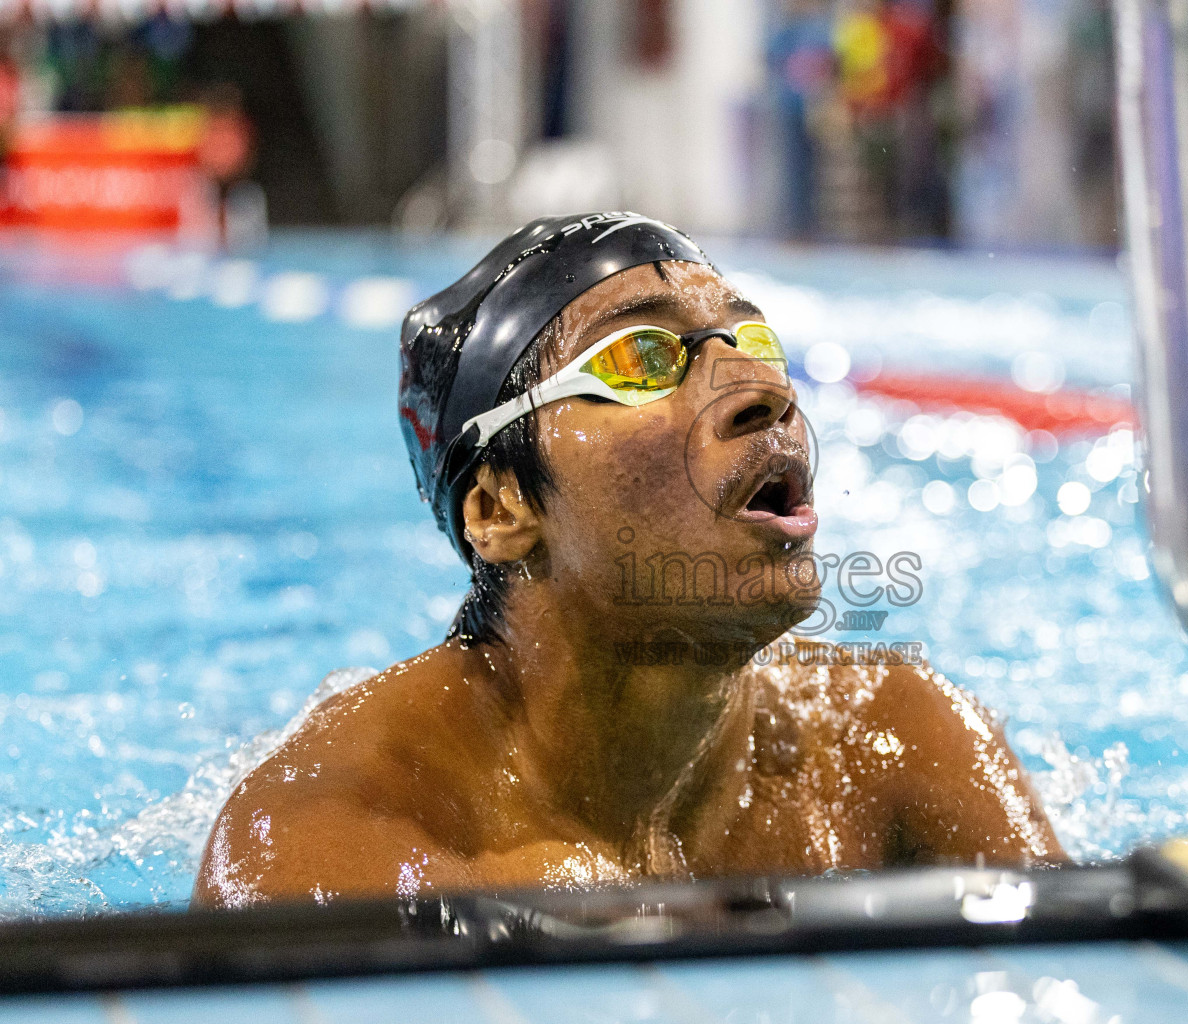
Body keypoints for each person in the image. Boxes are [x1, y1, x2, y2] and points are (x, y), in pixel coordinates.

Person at [193, 212, 1063, 907]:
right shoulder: (325, 837)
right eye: (640, 360)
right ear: (499, 508)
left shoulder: (890, 739)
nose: (764, 392)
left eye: (751, 343)